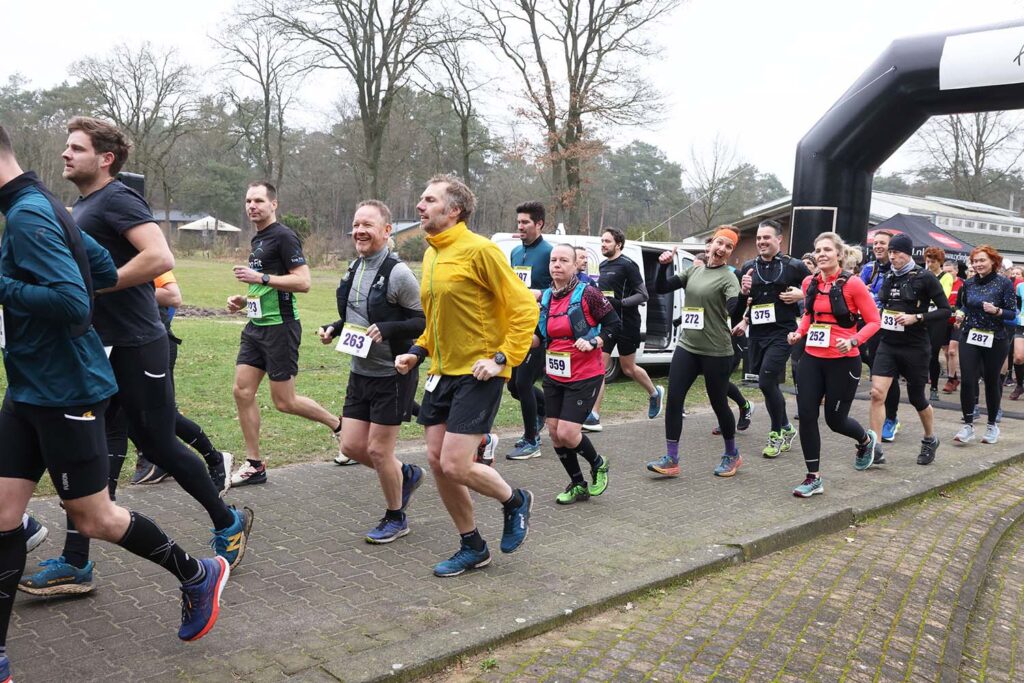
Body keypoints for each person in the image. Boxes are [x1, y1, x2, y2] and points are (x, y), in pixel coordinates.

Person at [0, 125, 229, 683]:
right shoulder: (49, 205)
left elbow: (74, 302)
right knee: (3, 517)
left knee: (95, 516)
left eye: (76, 147)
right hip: (29, 385)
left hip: (67, 389)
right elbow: (100, 270)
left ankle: (197, 573)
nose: (63, 153)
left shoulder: (32, 213)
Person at [23, 117, 251, 596]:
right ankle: (75, 561)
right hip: (96, 346)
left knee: (160, 443)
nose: (66, 154)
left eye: (76, 148)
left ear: (105, 159)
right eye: (66, 147)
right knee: (90, 450)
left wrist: (94, 285)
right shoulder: (84, 204)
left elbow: (159, 257)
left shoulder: (119, 198)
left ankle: (228, 521)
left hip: (135, 343)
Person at [394, 174, 536, 578]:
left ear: (453, 210)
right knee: (439, 464)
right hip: (442, 373)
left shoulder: (481, 251)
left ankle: (515, 501)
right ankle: (472, 545)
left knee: (456, 464)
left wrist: (502, 358)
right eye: (421, 199)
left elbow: (525, 307)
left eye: (429, 199)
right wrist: (418, 352)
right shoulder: (432, 254)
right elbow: (437, 320)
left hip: (479, 372)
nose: (420, 206)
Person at [316, 200, 426, 543]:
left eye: (368, 225)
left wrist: (389, 329)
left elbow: (422, 321)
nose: (360, 231)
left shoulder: (398, 273)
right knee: (350, 446)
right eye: (356, 225)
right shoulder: (354, 267)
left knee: (379, 451)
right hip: (359, 370)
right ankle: (404, 474)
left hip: (393, 372)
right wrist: (334, 328)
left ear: (387, 231)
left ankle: (396, 517)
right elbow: (355, 316)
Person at [228, 181, 342, 486]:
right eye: (248, 201)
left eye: (259, 201)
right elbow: (264, 284)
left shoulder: (284, 236)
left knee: (285, 401)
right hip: (256, 327)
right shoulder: (259, 239)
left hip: (281, 328)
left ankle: (339, 426)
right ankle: (255, 464)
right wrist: (244, 299)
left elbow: (303, 282)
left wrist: (260, 277)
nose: (252, 206)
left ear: (273, 204)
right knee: (242, 391)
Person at [787, 232, 881, 497]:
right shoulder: (810, 282)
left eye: (827, 249)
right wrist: (799, 333)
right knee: (806, 414)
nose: (821, 254)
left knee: (835, 420)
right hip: (813, 358)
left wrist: (853, 341)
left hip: (843, 361)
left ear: (839, 254)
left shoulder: (853, 285)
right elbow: (809, 314)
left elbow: (874, 321)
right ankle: (813, 477)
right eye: (817, 250)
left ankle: (865, 440)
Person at [646, 228, 743, 478]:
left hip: (716, 350)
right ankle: (671, 459)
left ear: (731, 252)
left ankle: (732, 454)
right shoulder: (694, 270)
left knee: (719, 403)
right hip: (687, 346)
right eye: (719, 243)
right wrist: (662, 266)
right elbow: (661, 287)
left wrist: (743, 295)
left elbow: (734, 310)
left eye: (728, 247)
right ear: (710, 244)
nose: (722, 249)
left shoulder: (728, 277)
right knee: (674, 400)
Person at [131, 271, 233, 493]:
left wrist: (126, 286)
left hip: (155, 344)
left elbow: (173, 297)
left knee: (164, 415)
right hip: (122, 345)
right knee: (120, 415)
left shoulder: (148, 255)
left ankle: (214, 458)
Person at [534, 244, 618, 503]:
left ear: (574, 265)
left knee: (569, 433)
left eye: (563, 261)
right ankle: (578, 483)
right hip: (555, 373)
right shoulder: (547, 296)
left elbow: (615, 324)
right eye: (553, 260)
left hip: (584, 374)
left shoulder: (588, 293)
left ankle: (598, 463)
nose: (556, 265)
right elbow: (539, 335)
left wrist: (595, 341)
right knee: (555, 432)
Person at [866, 234, 949, 466]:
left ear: (909, 253)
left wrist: (917, 317)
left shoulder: (925, 277)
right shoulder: (889, 276)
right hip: (888, 344)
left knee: (916, 398)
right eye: (890, 253)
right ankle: (875, 447)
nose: (893, 256)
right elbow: (883, 304)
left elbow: (945, 310)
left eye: (898, 253)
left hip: (915, 346)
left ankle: (930, 438)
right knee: (876, 393)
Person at [732, 220, 810, 458]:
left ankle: (776, 433)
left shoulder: (794, 266)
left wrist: (803, 293)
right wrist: (744, 314)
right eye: (758, 238)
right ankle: (787, 427)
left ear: (779, 240)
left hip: (782, 333)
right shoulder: (748, 266)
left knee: (766, 382)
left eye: (767, 237)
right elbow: (747, 303)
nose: (761, 242)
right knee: (768, 386)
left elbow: (819, 290)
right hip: (757, 334)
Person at [585, 228, 664, 432]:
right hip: (608, 324)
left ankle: (654, 393)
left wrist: (620, 303)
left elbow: (643, 294)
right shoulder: (602, 265)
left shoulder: (628, 265)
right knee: (599, 369)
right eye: (602, 241)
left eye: (607, 241)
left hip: (628, 323)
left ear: (618, 244)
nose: (603, 244)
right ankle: (593, 415)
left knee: (628, 369)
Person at [953, 245, 1017, 445]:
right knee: (968, 379)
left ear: (993, 262)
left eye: (982, 260)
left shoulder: (1004, 283)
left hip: (995, 338)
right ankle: (968, 425)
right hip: (970, 334)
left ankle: (991, 426)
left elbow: (1012, 313)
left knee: (991, 381)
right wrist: (961, 313)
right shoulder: (969, 283)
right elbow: (965, 303)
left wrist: (997, 311)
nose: (978, 264)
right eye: (975, 261)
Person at [505, 202, 551, 460]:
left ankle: (531, 440)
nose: (520, 226)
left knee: (523, 383)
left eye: (525, 222)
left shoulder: (549, 253)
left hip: (540, 330)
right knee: (512, 385)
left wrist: (540, 294)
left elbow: (562, 291)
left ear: (539, 224)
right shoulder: (514, 252)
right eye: (519, 222)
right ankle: (545, 408)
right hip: (517, 327)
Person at [942, 259, 964, 394]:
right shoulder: (940, 283)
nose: (947, 275)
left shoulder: (962, 284)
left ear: (956, 271)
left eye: (950, 272)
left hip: (957, 321)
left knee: (952, 351)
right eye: (945, 272)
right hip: (944, 321)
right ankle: (955, 377)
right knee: (945, 352)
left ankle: (950, 380)